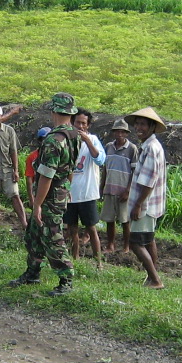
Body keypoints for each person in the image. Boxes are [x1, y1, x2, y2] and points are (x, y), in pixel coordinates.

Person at [8, 93, 81, 295]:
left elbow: (47, 175)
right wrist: (68, 189)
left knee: (52, 236)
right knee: (34, 234)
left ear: (54, 111)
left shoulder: (53, 140)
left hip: (49, 195)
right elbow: (71, 168)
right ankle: (32, 272)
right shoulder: (74, 135)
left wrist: (38, 204)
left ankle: (66, 279)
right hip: (60, 190)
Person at [125, 107, 168, 288]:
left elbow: (148, 181)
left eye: (143, 124)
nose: (138, 128)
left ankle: (155, 279)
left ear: (151, 127)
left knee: (135, 243)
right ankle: (153, 275)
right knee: (149, 240)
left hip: (146, 204)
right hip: (152, 203)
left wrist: (138, 205)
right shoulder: (151, 146)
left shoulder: (150, 148)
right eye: (137, 124)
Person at [65, 109, 106, 265]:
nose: (80, 126)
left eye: (83, 123)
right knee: (72, 229)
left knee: (91, 228)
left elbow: (100, 160)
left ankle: (99, 262)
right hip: (70, 193)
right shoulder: (68, 140)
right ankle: (74, 258)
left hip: (87, 193)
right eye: (78, 122)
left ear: (88, 126)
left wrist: (87, 141)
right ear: (72, 123)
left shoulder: (94, 140)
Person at [0, 104, 27, 232]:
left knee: (15, 195)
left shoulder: (9, 131)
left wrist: (16, 170)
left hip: (7, 169)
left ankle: (24, 223)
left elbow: (13, 151)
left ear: (1, 116)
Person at [100, 118, 139, 253]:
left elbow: (135, 172)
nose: (119, 134)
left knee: (124, 221)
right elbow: (105, 168)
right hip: (110, 188)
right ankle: (111, 245)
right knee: (109, 219)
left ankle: (126, 246)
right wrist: (102, 186)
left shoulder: (132, 149)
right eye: (117, 132)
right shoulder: (109, 147)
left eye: (122, 132)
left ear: (126, 134)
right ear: (114, 133)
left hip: (123, 190)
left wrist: (128, 191)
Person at [25, 127, 50, 203]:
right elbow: (29, 178)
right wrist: (31, 198)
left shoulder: (57, 155)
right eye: (45, 139)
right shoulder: (32, 157)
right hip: (38, 191)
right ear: (40, 141)